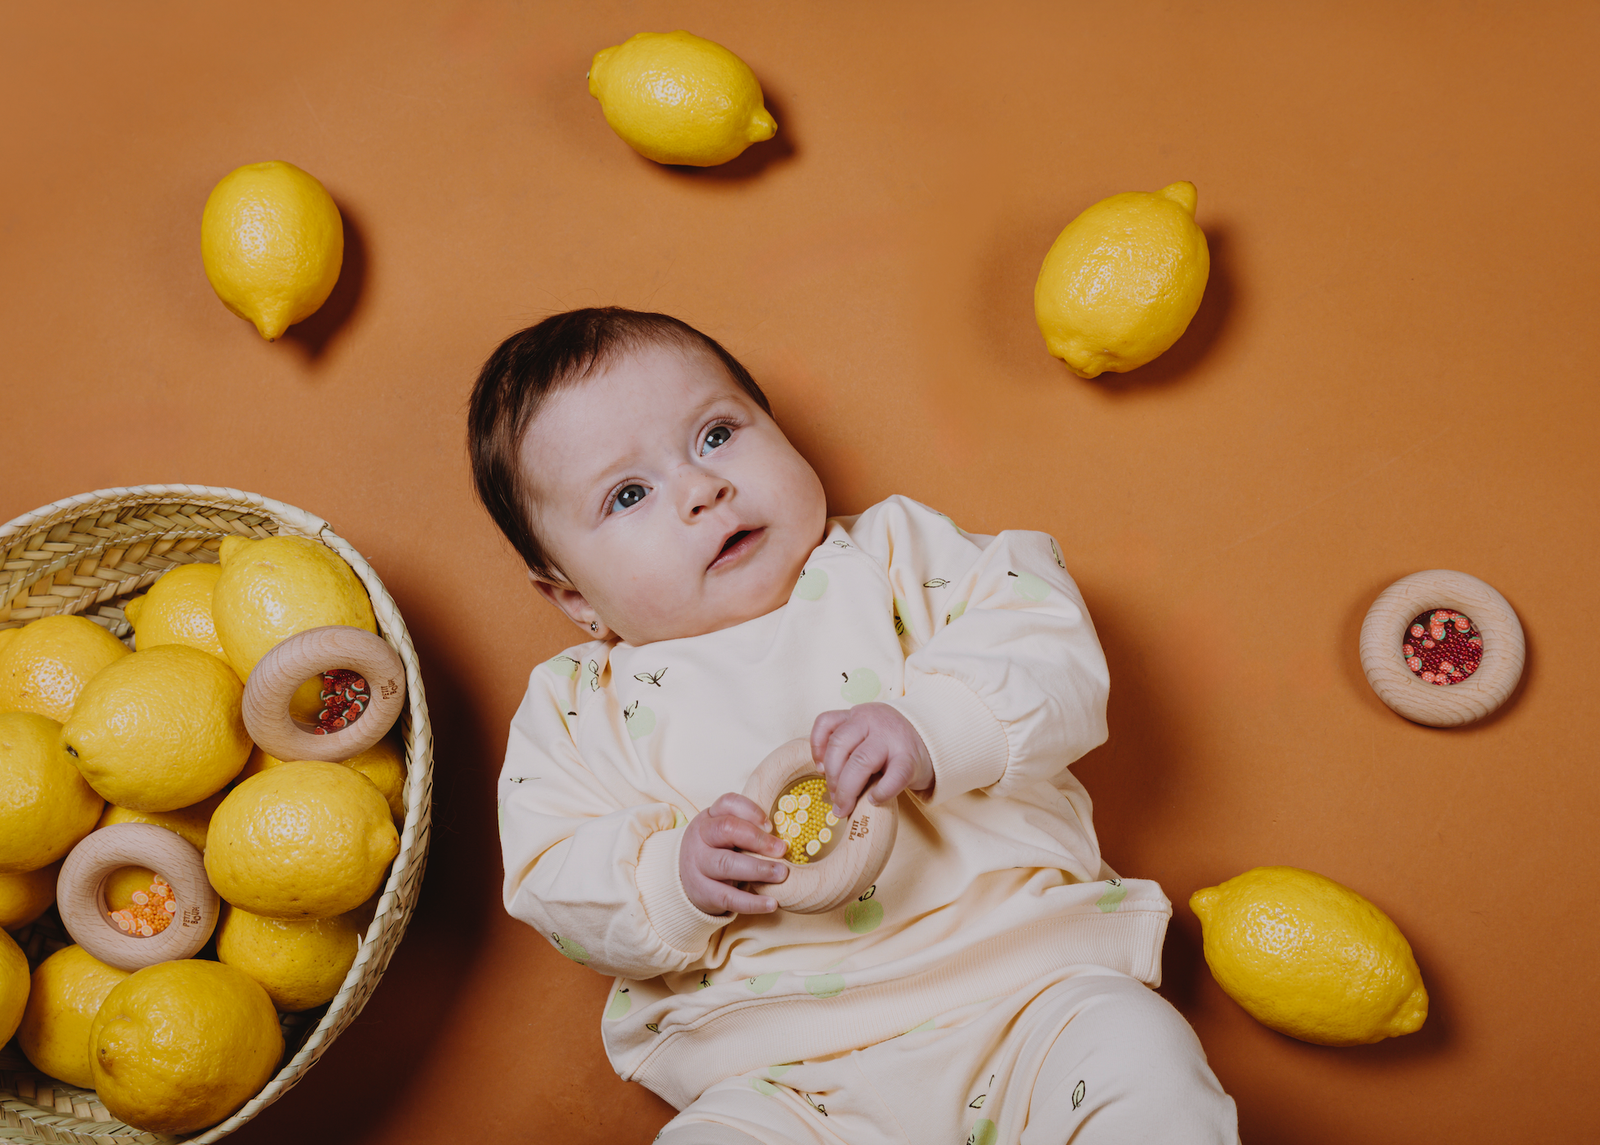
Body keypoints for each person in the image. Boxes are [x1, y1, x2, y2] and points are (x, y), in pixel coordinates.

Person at [469, 308, 1238, 1144]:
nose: (701, 489)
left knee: (1140, 1059)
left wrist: (933, 725)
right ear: (573, 595)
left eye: (718, 434)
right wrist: (672, 877)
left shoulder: (895, 555)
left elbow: (1043, 632)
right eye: (628, 494)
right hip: (782, 1076)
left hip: (1029, 991)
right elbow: (551, 874)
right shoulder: (578, 707)